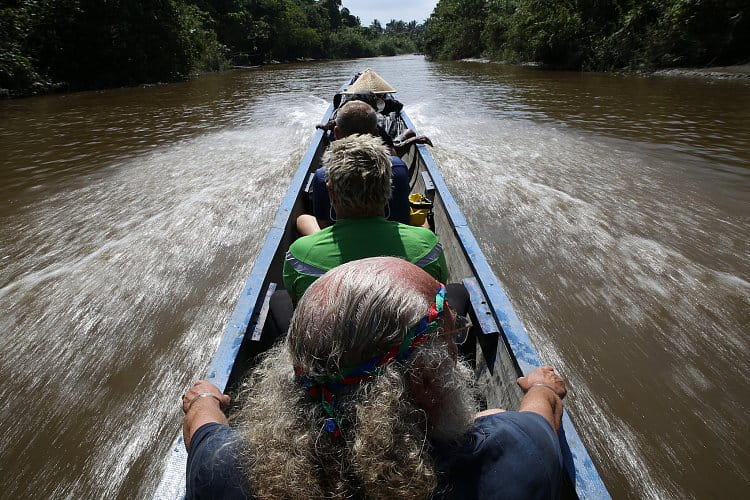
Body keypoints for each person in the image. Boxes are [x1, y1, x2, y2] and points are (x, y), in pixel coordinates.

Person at [183, 257, 567, 499]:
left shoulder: (225, 466)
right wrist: (542, 386)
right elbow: (541, 415)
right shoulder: (509, 451)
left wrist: (205, 400)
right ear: (423, 378)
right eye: (453, 338)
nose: (456, 351)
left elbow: (201, 429)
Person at [283, 133, 447, 301]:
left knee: (278, 301)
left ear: (330, 193)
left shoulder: (300, 255)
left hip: (334, 327)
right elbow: (439, 292)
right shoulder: (427, 246)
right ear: (388, 188)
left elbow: (296, 298)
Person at [297, 100, 411, 236]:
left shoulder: (323, 175)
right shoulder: (398, 167)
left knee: (303, 219)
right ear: (375, 133)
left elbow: (323, 225)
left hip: (342, 237)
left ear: (337, 133)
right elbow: (404, 217)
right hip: (390, 235)